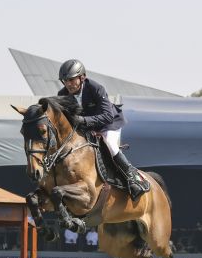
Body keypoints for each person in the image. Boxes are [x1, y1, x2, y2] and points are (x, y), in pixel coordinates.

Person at [57, 59, 146, 201]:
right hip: (87, 128)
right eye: (65, 80)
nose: (68, 84)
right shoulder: (62, 95)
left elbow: (107, 116)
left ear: (82, 77)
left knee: (109, 143)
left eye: (72, 80)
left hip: (109, 123)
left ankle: (132, 178)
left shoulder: (95, 88)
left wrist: (84, 121)